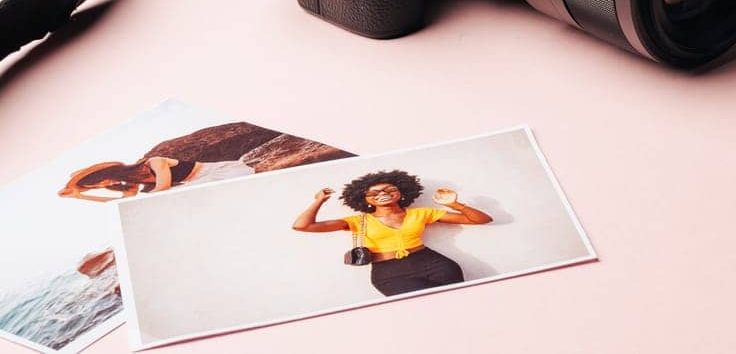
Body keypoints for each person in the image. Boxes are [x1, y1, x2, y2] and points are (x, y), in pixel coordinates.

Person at [292, 169, 492, 296]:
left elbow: (482, 220)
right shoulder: (357, 221)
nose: (382, 194)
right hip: (389, 274)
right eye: (374, 193)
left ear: (401, 192)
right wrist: (318, 200)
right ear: (365, 199)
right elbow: (303, 226)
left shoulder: (423, 213)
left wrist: (455, 204)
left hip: (434, 264)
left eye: (389, 189)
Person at [58, 155, 255, 201]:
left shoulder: (154, 162)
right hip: (198, 183)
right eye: (97, 186)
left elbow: (164, 188)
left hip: (218, 172)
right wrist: (80, 196)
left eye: (102, 180)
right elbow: (121, 203)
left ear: (107, 173)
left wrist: (146, 196)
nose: (104, 185)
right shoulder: (132, 183)